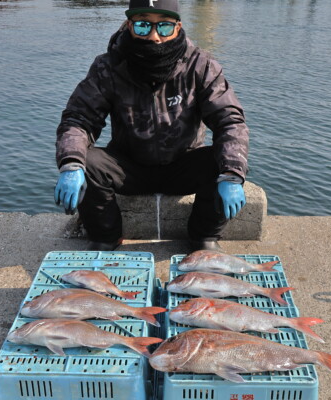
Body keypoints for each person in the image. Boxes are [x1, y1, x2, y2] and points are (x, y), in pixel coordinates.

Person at [54, 0, 249, 252]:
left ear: (178, 27)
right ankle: (105, 237)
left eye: (164, 27)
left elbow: (229, 121)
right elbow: (79, 118)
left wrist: (232, 174)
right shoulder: (108, 66)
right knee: (87, 161)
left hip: (183, 164)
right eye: (144, 25)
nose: (154, 36)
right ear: (129, 25)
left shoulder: (201, 65)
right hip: (128, 168)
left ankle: (204, 238)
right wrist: (71, 164)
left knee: (221, 161)